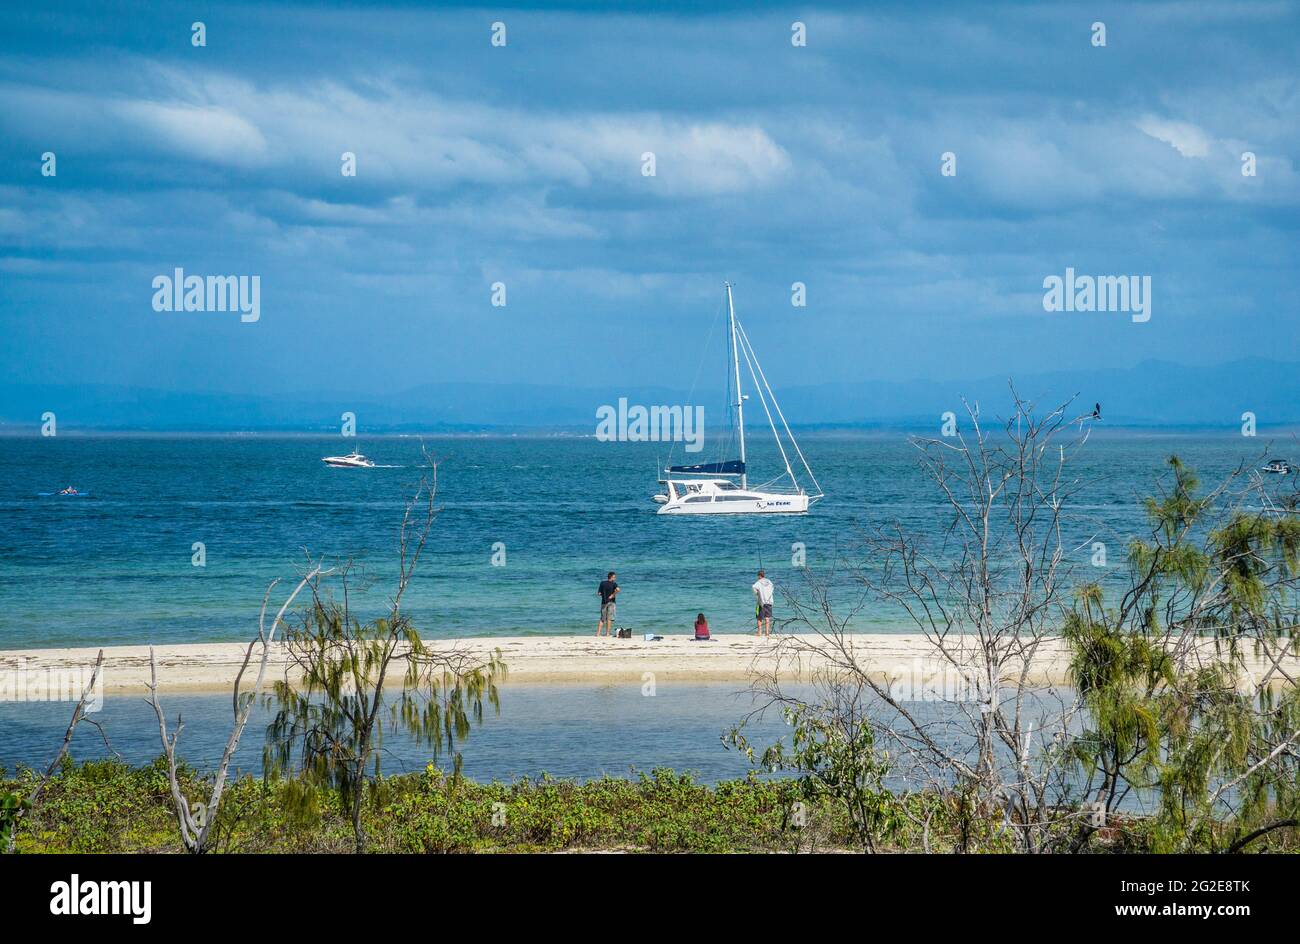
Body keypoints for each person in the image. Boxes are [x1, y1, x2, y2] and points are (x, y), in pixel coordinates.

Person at [752, 569, 774, 637]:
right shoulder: (769, 581)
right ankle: (767, 633)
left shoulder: (758, 582)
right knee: (767, 617)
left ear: (759, 576)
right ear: (764, 575)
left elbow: (753, 587)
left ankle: (759, 633)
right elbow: (772, 588)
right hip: (769, 601)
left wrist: (757, 593)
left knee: (759, 618)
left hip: (762, 602)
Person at [597, 571, 619, 637]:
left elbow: (599, 593)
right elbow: (618, 589)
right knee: (609, 619)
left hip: (604, 602)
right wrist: (613, 595)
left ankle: (598, 633)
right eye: (614, 577)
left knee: (602, 619)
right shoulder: (614, 584)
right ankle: (607, 633)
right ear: (611, 577)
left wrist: (604, 595)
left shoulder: (602, 583)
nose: (615, 578)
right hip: (611, 602)